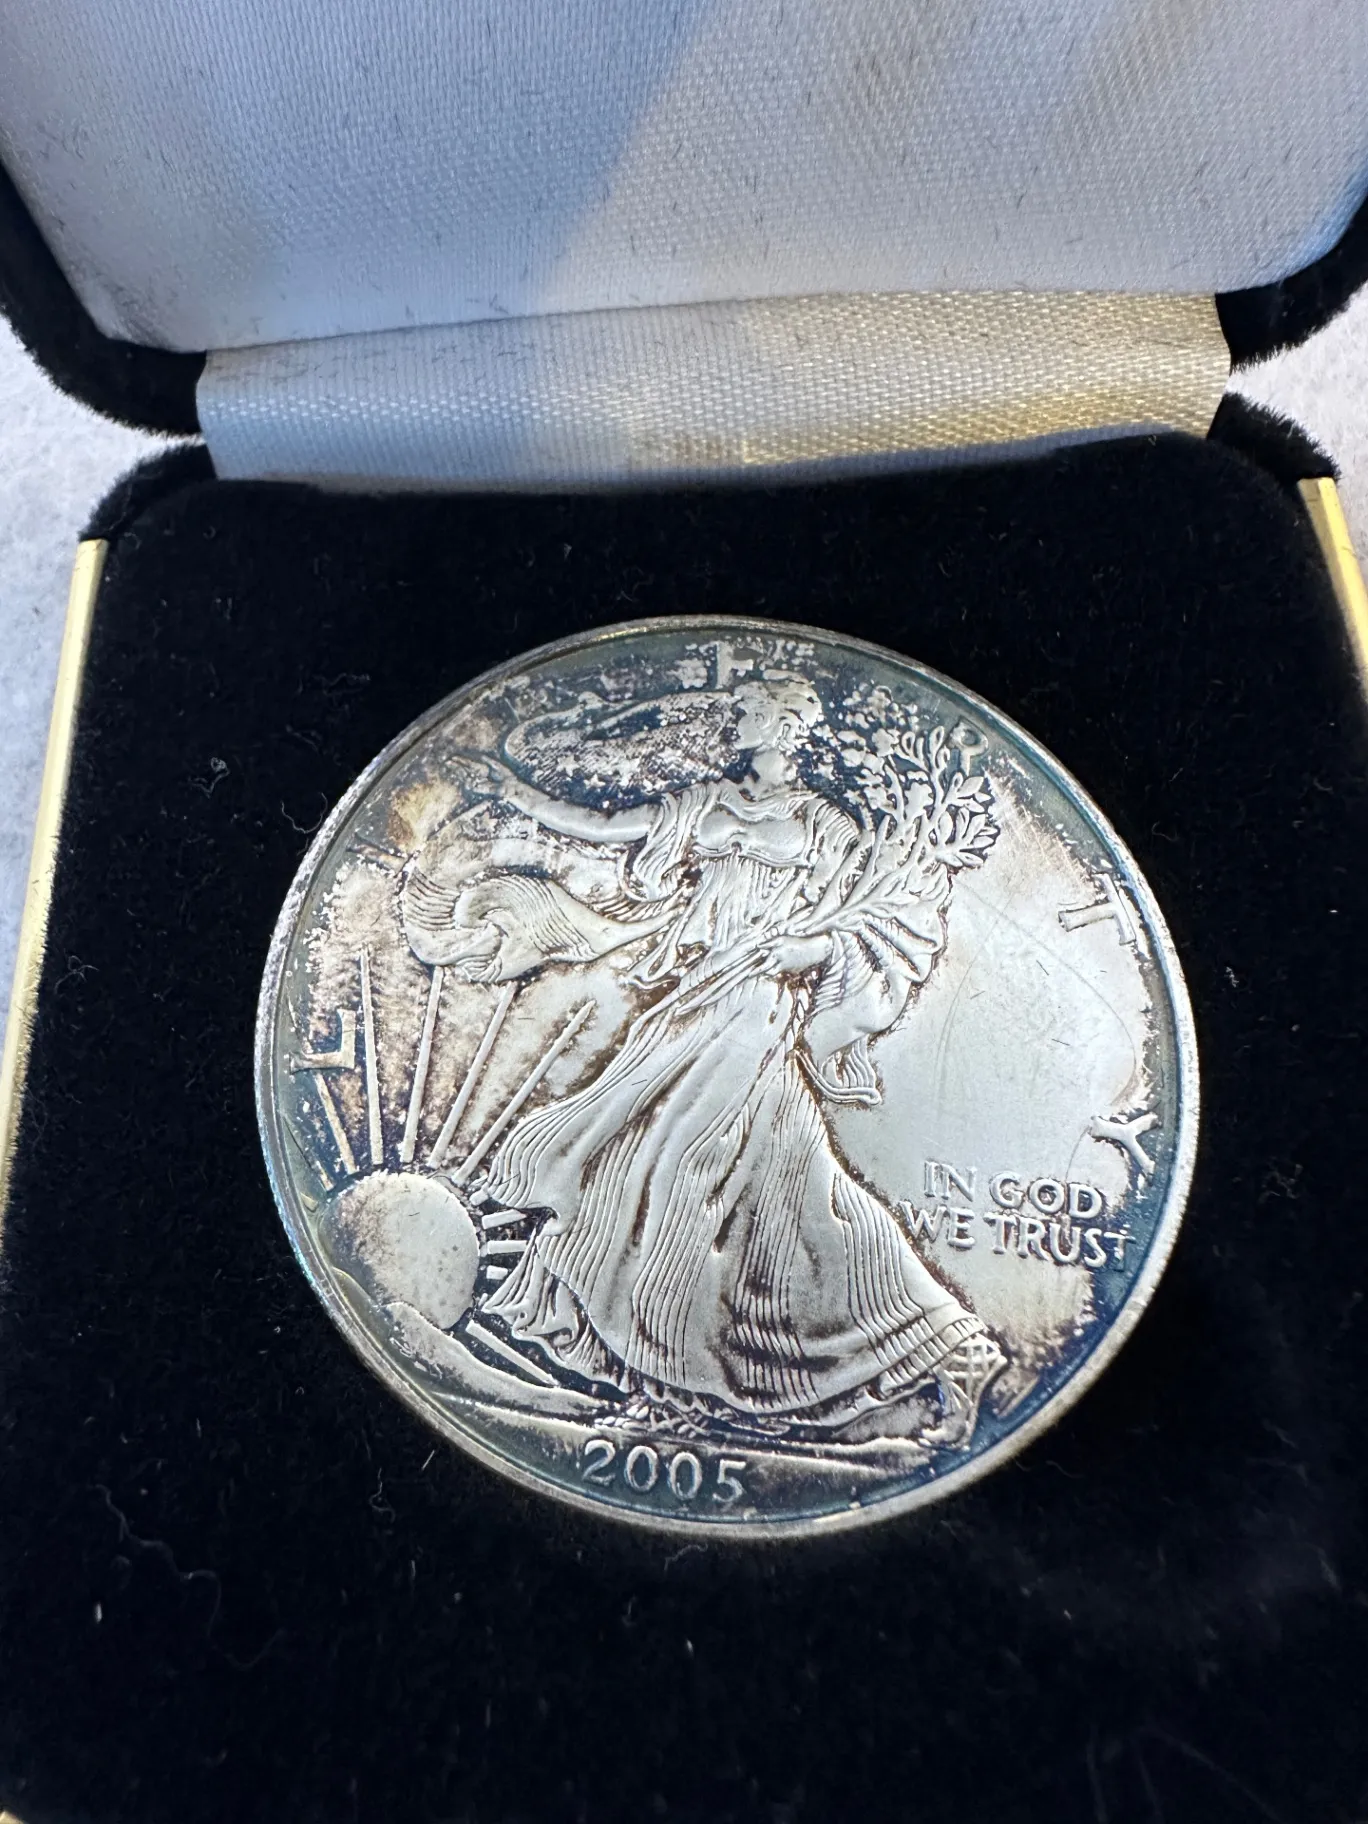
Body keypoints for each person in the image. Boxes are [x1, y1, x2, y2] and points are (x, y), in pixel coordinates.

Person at [463, 675, 1005, 1445]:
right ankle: (922, 1349)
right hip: (693, 1000)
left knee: (677, 1173)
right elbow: (606, 826)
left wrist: (807, 949)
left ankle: (677, 1374)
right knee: (780, 1192)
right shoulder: (705, 802)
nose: (738, 718)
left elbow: (873, 922)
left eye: (751, 710)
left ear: (783, 727)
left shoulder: (823, 825)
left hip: (757, 1006)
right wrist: (514, 792)